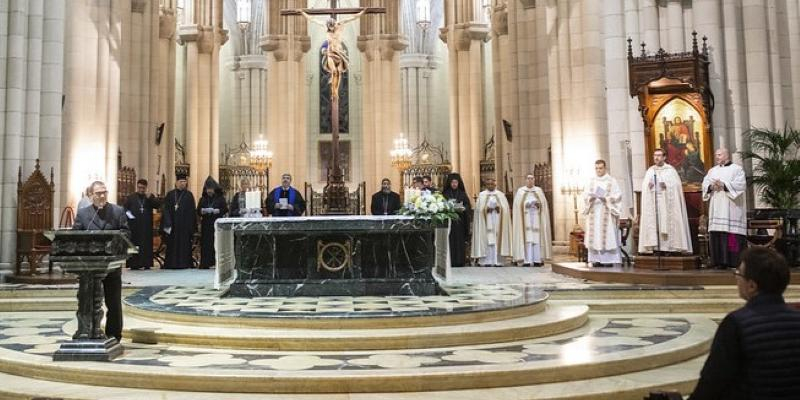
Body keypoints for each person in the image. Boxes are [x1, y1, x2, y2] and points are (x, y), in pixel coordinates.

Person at [688, 247, 800, 400]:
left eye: (738, 274)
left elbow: (713, 382)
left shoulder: (736, 324)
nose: (736, 279)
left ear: (752, 286)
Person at [72, 180, 128, 342]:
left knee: (113, 302)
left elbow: (126, 233)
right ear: (91, 196)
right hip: (89, 267)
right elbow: (75, 236)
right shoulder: (83, 214)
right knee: (87, 301)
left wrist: (116, 244)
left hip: (111, 264)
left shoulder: (117, 211)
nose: (102, 195)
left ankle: (114, 335)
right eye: (98, 193)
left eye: (104, 192)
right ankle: (87, 332)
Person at [638, 148, 692, 254]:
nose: (656, 158)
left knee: (667, 223)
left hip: (667, 203)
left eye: (659, 155)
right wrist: (648, 186)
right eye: (655, 155)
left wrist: (666, 185)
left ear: (664, 157)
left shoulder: (670, 170)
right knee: (656, 224)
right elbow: (644, 186)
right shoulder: (650, 171)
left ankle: (670, 248)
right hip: (654, 203)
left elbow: (676, 185)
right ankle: (656, 247)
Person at [702, 148, 747, 269]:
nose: (717, 157)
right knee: (717, 233)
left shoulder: (737, 169)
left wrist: (724, 185)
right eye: (716, 155)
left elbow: (741, 185)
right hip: (717, 207)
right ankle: (718, 262)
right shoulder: (712, 171)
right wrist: (711, 186)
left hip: (731, 208)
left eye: (719, 155)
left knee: (731, 235)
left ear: (727, 155)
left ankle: (733, 262)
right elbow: (705, 185)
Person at [582, 160, 623, 267]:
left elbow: (618, 195)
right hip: (594, 212)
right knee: (595, 236)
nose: (598, 170)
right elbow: (585, 195)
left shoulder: (612, 181)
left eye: (600, 168)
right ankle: (596, 259)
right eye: (596, 168)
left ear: (605, 168)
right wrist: (590, 198)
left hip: (606, 212)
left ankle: (608, 260)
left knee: (607, 235)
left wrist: (606, 199)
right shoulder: (591, 181)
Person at [511, 173, 553, 267]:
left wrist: (538, 205)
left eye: (532, 179)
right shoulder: (520, 191)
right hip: (525, 220)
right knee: (528, 240)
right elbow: (517, 206)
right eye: (528, 179)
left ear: (534, 180)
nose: (530, 180)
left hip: (536, 219)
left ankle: (537, 259)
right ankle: (527, 260)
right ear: (525, 180)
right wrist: (525, 205)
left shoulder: (538, 191)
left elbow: (544, 205)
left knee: (536, 239)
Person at [471, 177, 511, 267]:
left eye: (492, 184)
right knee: (487, 239)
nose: (490, 186)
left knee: (497, 239)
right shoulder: (482, 195)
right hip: (486, 222)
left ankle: (498, 261)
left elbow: (506, 209)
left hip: (497, 221)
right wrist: (486, 209)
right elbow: (478, 211)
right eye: (488, 184)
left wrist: (499, 208)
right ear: (485, 185)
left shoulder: (500, 195)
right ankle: (486, 261)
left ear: (495, 185)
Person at [161, 173, 196, 269]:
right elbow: (166, 209)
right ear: (176, 183)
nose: (182, 184)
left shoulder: (189, 195)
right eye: (181, 182)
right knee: (172, 244)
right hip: (173, 225)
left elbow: (192, 212)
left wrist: (191, 228)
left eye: (184, 182)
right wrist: (167, 223)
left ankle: (184, 263)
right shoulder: (170, 194)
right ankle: (171, 264)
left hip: (184, 226)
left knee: (184, 245)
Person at [123, 179, 160, 270]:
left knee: (146, 245)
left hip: (146, 227)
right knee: (133, 245)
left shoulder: (149, 197)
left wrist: (150, 198)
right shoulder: (131, 197)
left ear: (146, 188)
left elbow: (157, 205)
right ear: (137, 187)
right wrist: (131, 217)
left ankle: (146, 263)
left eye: (143, 188)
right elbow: (125, 210)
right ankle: (133, 263)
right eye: (139, 187)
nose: (141, 190)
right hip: (134, 227)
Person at [197, 176, 228, 269]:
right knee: (206, 244)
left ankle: (217, 262)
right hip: (206, 224)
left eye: (210, 189)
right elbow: (198, 210)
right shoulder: (202, 199)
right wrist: (202, 211)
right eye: (207, 189)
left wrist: (218, 211)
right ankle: (205, 263)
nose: (209, 191)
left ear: (214, 189)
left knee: (216, 243)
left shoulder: (220, 198)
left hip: (216, 224)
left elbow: (225, 209)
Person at [442, 173, 471, 268]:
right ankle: (450, 261)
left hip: (460, 223)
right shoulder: (445, 194)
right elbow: (441, 205)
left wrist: (463, 208)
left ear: (458, 183)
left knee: (459, 241)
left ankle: (460, 261)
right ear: (449, 183)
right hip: (449, 222)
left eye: (456, 182)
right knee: (450, 241)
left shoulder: (462, 194)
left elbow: (467, 205)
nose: (454, 184)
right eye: (452, 182)